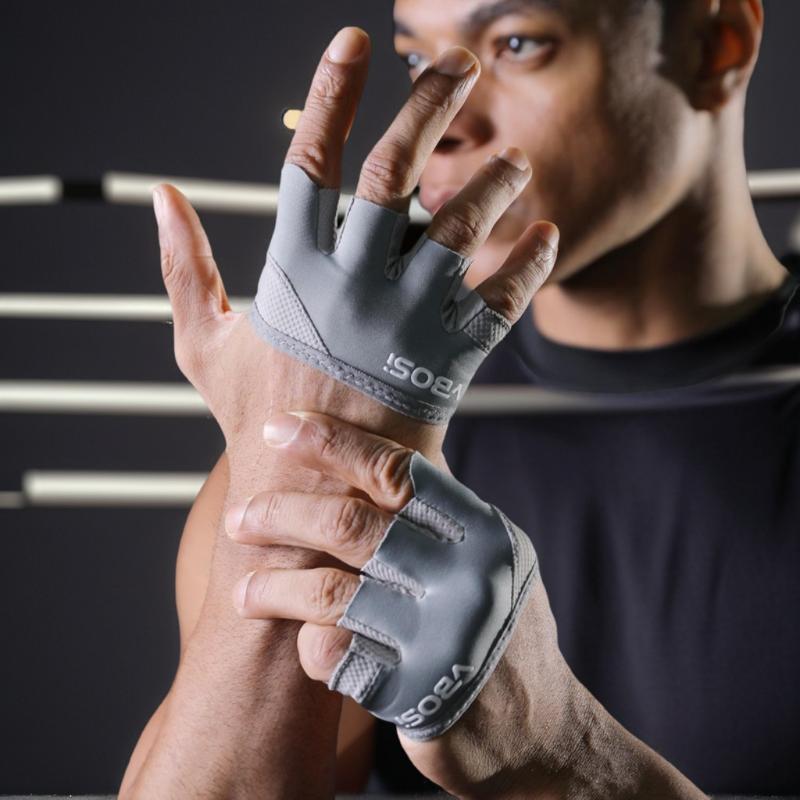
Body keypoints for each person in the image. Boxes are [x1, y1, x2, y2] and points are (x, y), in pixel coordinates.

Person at [119, 0, 800, 796]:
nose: (444, 125)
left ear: (717, 44)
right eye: (419, 61)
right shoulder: (351, 411)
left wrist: (565, 755)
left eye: (517, 44)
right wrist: (293, 478)